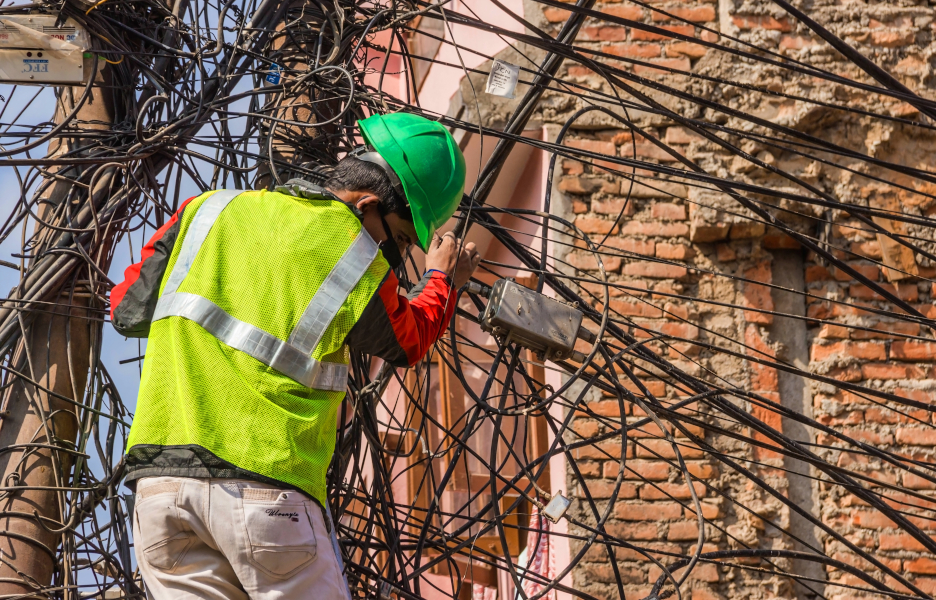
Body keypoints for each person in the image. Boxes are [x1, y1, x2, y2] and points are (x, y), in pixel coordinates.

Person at [110, 113, 480, 599]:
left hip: (160, 494)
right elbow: (407, 340)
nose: (396, 255)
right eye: (402, 239)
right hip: (263, 488)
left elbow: (126, 309)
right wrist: (443, 282)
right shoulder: (351, 248)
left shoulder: (208, 209)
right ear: (366, 205)